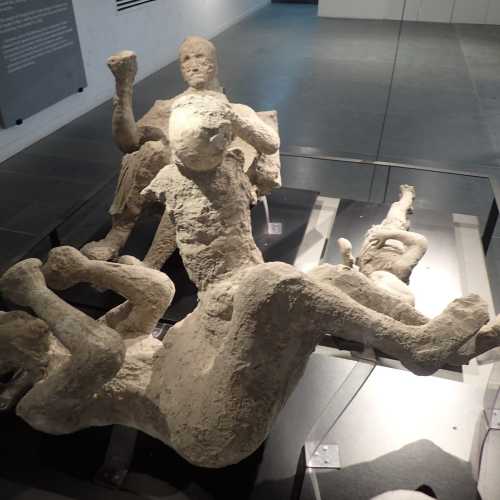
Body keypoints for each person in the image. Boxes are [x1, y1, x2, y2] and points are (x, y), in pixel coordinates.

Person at [81, 36, 281, 265]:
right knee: (148, 152)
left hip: (211, 180)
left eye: (199, 56)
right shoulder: (168, 107)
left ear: (214, 63)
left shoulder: (236, 110)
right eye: (186, 59)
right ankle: (118, 234)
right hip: (173, 175)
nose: (193, 64)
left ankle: (150, 265)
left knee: (197, 176)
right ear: (181, 69)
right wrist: (123, 89)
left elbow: (265, 146)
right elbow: (128, 143)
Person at [338, 185, 428, 305]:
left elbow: (355, 276)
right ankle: (409, 194)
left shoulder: (367, 277)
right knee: (397, 210)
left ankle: (407, 201)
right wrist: (388, 234)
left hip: (373, 242)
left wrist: (348, 262)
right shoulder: (399, 269)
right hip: (390, 234)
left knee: (396, 209)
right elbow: (421, 242)